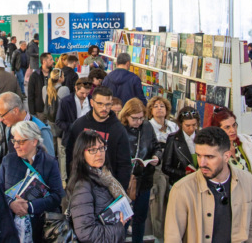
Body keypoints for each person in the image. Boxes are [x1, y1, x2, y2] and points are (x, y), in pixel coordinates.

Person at [165, 127, 252, 243]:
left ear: (226, 156)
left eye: (209, 157)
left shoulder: (247, 181)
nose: (202, 163)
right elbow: (172, 237)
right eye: (199, 156)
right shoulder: (182, 189)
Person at [0, 121, 65, 243]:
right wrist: (11, 204)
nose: (16, 145)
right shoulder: (8, 161)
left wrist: (30, 207)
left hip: (40, 229)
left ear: (34, 142)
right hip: (12, 229)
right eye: (14, 141)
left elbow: (57, 196)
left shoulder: (49, 163)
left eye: (20, 141)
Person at [66, 130, 129, 242]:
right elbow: (86, 233)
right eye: (92, 150)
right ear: (81, 153)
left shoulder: (104, 176)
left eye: (101, 148)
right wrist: (118, 228)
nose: (99, 154)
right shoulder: (82, 186)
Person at [66, 86, 132, 190]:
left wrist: (119, 191)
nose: (104, 108)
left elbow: (124, 164)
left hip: (108, 189)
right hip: (81, 185)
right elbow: (70, 156)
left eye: (108, 104)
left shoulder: (119, 130)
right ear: (92, 103)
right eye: (100, 104)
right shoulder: (79, 125)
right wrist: (71, 183)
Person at [119, 98, 161, 242]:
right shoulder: (119, 129)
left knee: (140, 217)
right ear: (126, 116)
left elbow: (156, 145)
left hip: (144, 179)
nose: (138, 122)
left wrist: (156, 156)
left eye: (141, 118)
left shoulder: (147, 126)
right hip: (124, 181)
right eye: (135, 119)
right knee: (123, 218)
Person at [210, 107, 252, 207]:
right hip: (229, 207)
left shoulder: (244, 145)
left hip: (250, 204)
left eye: (234, 125)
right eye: (227, 127)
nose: (233, 130)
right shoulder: (213, 153)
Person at [146, 96, 178, 242]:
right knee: (157, 203)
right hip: (157, 168)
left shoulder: (173, 126)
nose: (159, 109)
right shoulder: (148, 126)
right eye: (156, 106)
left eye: (162, 106)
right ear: (151, 110)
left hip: (172, 167)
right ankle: (158, 236)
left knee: (172, 203)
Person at [0, 92, 55, 157]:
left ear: (15, 111)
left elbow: (49, 161)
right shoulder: (9, 128)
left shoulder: (41, 130)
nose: (0, 120)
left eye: (2, 115)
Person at [162, 106, 200, 185]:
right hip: (179, 183)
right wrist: (183, 173)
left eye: (194, 125)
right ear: (180, 124)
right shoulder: (173, 139)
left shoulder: (202, 138)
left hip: (198, 182)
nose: (191, 128)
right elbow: (166, 168)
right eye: (187, 125)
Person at [28, 52, 54, 122]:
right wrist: (32, 112)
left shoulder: (54, 74)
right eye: (51, 60)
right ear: (44, 62)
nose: (53, 61)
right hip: (40, 112)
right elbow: (30, 95)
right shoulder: (35, 75)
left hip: (52, 111)